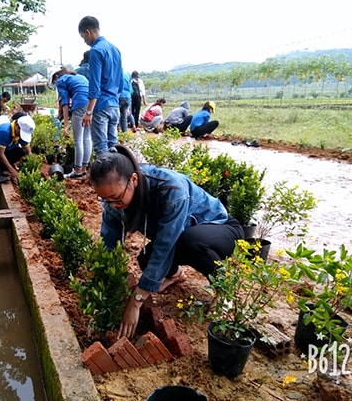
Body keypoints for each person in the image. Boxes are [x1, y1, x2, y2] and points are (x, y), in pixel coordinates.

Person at [88, 144, 244, 339]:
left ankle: (225, 289)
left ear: (133, 180)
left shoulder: (171, 189)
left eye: (115, 198)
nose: (112, 205)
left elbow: (165, 244)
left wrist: (135, 301)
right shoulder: (113, 202)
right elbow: (108, 244)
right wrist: (102, 296)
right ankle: (175, 274)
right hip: (181, 236)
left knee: (189, 241)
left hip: (220, 229)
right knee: (145, 260)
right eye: (105, 200)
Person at [78, 16, 123, 155]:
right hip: (115, 106)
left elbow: (94, 84)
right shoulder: (115, 49)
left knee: (102, 149)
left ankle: (104, 177)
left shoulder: (96, 51)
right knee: (113, 147)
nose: (84, 41)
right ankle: (116, 176)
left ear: (88, 32)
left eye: (83, 37)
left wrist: (89, 111)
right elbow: (120, 81)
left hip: (101, 106)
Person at [50, 67, 92, 178]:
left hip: (79, 105)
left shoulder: (61, 80)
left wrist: (66, 125)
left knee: (78, 140)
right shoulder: (78, 77)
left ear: (56, 77)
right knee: (87, 138)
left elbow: (64, 103)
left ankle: (77, 171)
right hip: (91, 105)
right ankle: (84, 169)